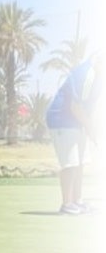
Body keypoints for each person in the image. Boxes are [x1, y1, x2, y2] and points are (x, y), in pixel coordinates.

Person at [46, 50, 102, 215]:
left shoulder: (99, 77)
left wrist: (92, 128)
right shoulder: (86, 74)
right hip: (62, 119)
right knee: (70, 163)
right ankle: (67, 204)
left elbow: (90, 107)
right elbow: (75, 107)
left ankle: (77, 201)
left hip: (77, 121)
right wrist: (90, 127)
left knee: (80, 162)